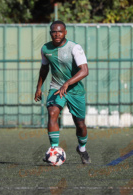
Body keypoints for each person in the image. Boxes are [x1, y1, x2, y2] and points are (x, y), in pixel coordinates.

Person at [34, 20, 91, 164]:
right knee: (52, 112)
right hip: (56, 87)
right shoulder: (46, 49)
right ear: (50, 33)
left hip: (75, 90)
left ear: (65, 32)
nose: (57, 34)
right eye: (54, 31)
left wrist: (68, 82)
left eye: (60, 31)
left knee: (80, 125)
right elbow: (44, 68)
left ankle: (82, 149)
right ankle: (54, 149)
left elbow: (84, 71)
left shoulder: (74, 48)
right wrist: (39, 87)